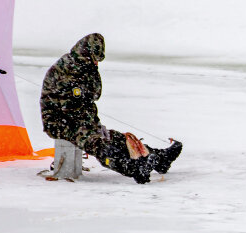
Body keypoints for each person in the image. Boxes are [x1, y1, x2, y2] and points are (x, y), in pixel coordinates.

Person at [39, 33, 182, 184]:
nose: (96, 63)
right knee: (97, 143)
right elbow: (71, 109)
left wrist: (95, 126)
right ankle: (132, 168)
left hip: (77, 119)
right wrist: (93, 129)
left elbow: (93, 95)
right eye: (95, 59)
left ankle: (159, 159)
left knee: (117, 138)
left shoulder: (82, 66)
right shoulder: (69, 70)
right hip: (60, 123)